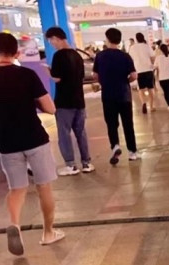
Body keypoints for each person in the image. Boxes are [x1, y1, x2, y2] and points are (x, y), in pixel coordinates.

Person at [0, 32, 65, 255]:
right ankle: (48, 233)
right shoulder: (27, 75)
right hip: (34, 139)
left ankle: (15, 224)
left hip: (6, 142)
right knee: (43, 186)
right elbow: (51, 108)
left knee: (16, 189)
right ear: (16, 53)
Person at [45, 26, 94, 176]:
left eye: (51, 41)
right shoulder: (77, 55)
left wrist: (47, 71)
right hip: (79, 100)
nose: (52, 44)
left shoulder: (59, 56)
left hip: (64, 102)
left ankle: (71, 165)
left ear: (55, 38)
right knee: (81, 133)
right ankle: (86, 163)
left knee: (64, 134)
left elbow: (57, 78)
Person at [93, 28, 139, 164]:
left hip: (108, 95)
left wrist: (103, 81)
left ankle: (115, 145)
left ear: (107, 39)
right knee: (128, 124)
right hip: (124, 94)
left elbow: (95, 75)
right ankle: (132, 152)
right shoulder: (125, 56)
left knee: (111, 123)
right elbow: (134, 75)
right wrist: (126, 81)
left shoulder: (100, 56)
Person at [128, 32, 155, 114]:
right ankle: (151, 106)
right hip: (148, 69)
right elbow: (153, 57)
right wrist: (152, 65)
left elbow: (130, 59)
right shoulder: (147, 46)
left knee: (141, 89)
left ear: (136, 39)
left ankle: (143, 103)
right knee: (151, 88)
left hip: (139, 70)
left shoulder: (132, 48)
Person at [155, 44, 169, 112]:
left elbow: (156, 67)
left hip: (162, 78)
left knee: (166, 92)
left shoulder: (158, 58)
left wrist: (157, 76)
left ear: (160, 50)